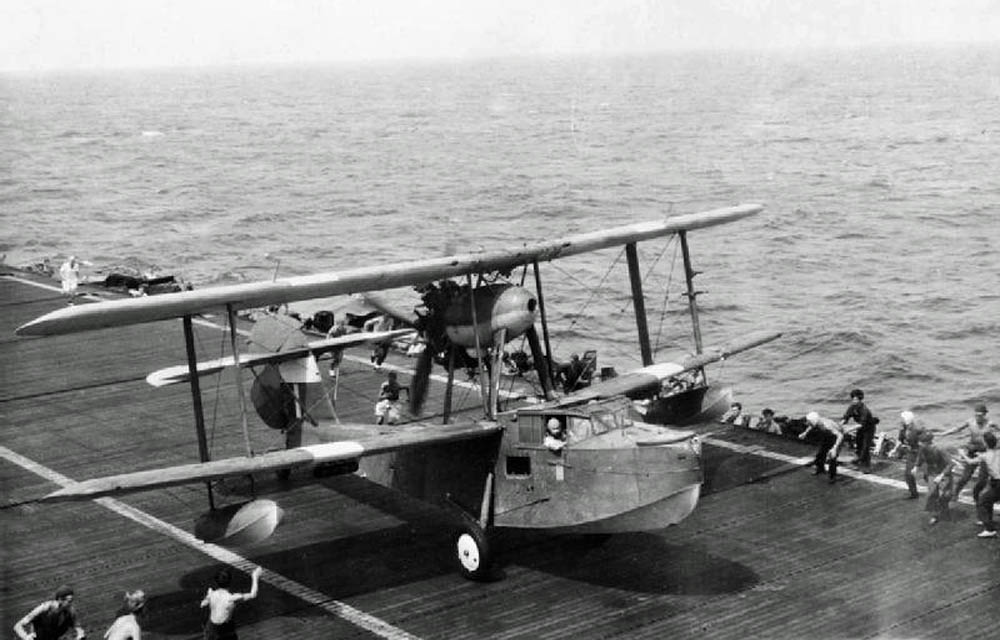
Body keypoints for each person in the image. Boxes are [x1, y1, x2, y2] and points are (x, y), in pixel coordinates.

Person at [940, 403, 999, 502]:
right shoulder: (970, 422)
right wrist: (944, 433)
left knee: (982, 480)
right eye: (976, 415)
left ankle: (976, 497)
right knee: (965, 476)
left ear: (984, 415)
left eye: (980, 415)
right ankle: (956, 493)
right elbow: (957, 429)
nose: (978, 417)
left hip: (984, 452)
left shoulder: (990, 424)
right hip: (972, 450)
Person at [200, 566, 262, 640]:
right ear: (230, 582)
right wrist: (255, 577)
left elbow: (203, 604)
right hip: (226, 630)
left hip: (212, 629)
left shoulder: (211, 594)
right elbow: (253, 594)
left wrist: (206, 600)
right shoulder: (232, 598)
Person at [911, 430, 956, 524]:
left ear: (927, 442)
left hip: (943, 473)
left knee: (947, 495)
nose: (919, 444)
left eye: (922, 442)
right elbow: (920, 457)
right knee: (931, 495)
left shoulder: (939, 449)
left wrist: (942, 475)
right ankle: (934, 515)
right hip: (932, 473)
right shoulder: (922, 449)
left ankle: (944, 506)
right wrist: (916, 467)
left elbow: (951, 463)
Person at [14, 585, 86, 640]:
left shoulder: (70, 611)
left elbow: (77, 626)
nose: (71, 604)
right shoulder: (44, 608)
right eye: (69, 601)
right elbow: (18, 626)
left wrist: (80, 633)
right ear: (60, 599)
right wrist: (26, 637)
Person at [799, 411, 847, 483]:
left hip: (837, 437)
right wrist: (805, 433)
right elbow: (811, 426)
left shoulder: (827, 425)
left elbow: (840, 436)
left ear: (813, 421)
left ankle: (832, 477)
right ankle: (820, 469)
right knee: (820, 453)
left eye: (808, 421)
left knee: (832, 457)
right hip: (828, 436)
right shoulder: (816, 422)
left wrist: (835, 448)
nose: (807, 423)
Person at [841, 388, 878, 472]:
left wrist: (849, 429)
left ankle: (866, 466)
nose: (854, 401)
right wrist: (840, 425)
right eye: (853, 399)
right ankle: (858, 458)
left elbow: (861, 424)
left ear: (860, 400)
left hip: (868, 428)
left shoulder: (864, 410)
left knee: (865, 447)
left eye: (856, 399)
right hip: (860, 428)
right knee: (858, 443)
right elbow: (846, 417)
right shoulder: (851, 407)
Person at [973, 431, 1000, 538]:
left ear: (985, 444)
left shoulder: (984, 456)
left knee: (982, 502)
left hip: (998, 482)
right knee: (988, 500)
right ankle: (988, 521)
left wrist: (961, 454)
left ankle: (989, 528)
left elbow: (970, 461)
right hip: (995, 482)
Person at [899, 410, 928, 499]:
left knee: (927, 475)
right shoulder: (903, 429)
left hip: (922, 453)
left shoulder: (917, 430)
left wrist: (917, 465)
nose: (901, 420)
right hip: (912, 453)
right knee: (908, 475)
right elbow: (900, 440)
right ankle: (913, 493)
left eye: (902, 419)